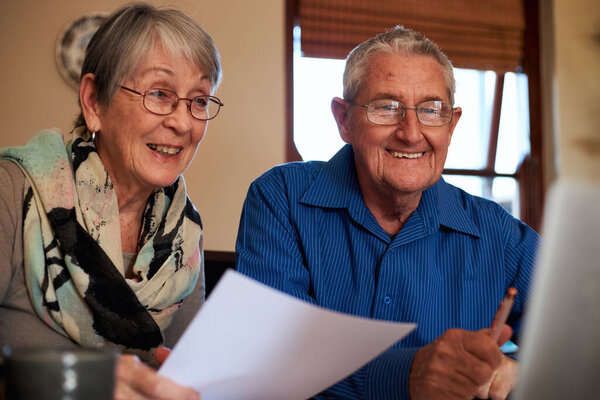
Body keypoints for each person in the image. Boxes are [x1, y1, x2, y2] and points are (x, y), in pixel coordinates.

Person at [236, 26, 539, 399]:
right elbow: (268, 359)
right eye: (386, 107)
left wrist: (521, 371)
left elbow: (582, 343)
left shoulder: (502, 237)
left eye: (431, 110)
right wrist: (409, 374)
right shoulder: (281, 199)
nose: (411, 133)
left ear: (452, 124)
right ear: (344, 120)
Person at [0, 3, 223, 399]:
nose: (184, 122)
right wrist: (89, 383)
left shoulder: (184, 237)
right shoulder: (10, 192)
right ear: (93, 103)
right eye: (159, 93)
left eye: (200, 100)